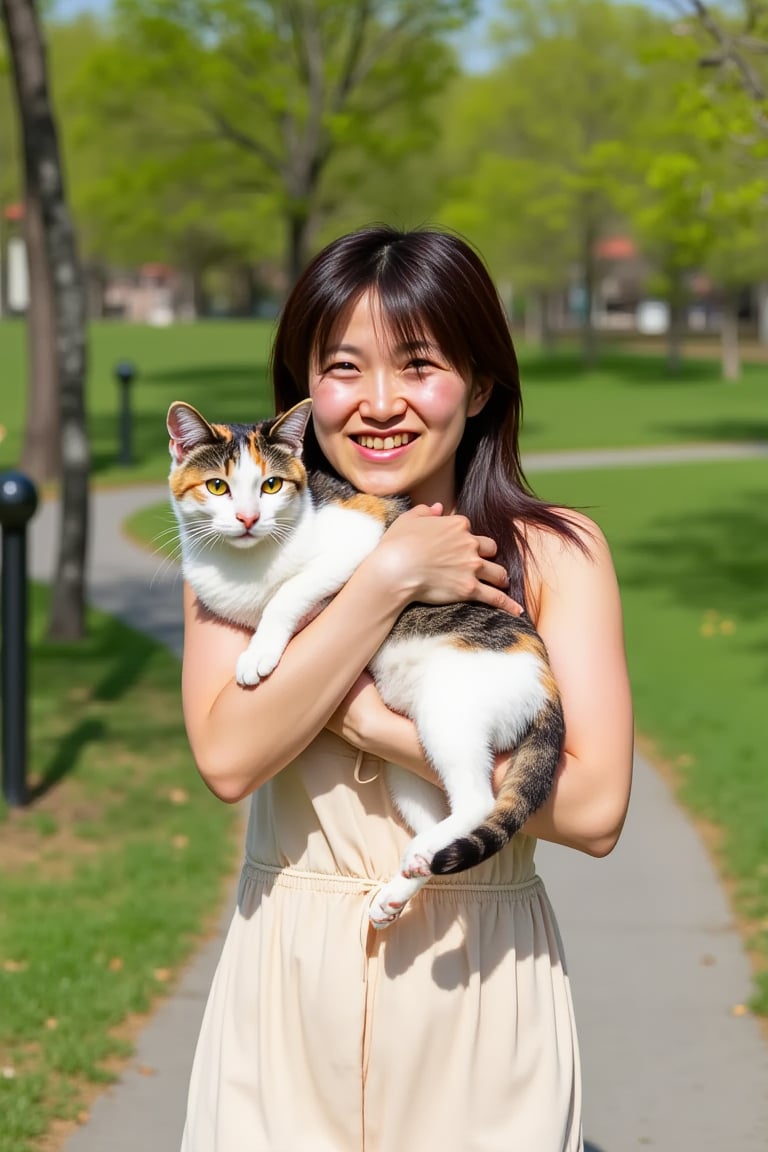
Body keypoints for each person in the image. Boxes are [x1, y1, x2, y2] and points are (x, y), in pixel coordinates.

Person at [179, 225, 633, 1152]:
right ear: (305, 389)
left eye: (419, 364)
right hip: (287, 983)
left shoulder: (555, 553)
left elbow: (593, 811)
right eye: (343, 368)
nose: (379, 403)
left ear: (480, 382)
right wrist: (387, 580)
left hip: (478, 984)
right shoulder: (241, 547)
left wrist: (363, 717)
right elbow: (228, 756)